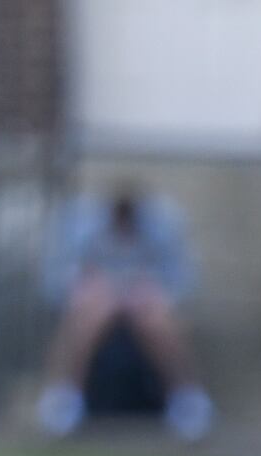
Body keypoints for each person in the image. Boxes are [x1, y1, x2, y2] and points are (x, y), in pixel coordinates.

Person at [35, 182, 212, 441]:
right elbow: (56, 281)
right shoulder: (82, 227)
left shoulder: (162, 227)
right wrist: (89, 288)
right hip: (95, 305)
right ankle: (65, 398)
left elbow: (183, 282)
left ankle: (186, 400)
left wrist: (151, 292)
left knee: (159, 319)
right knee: (89, 314)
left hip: (145, 305)